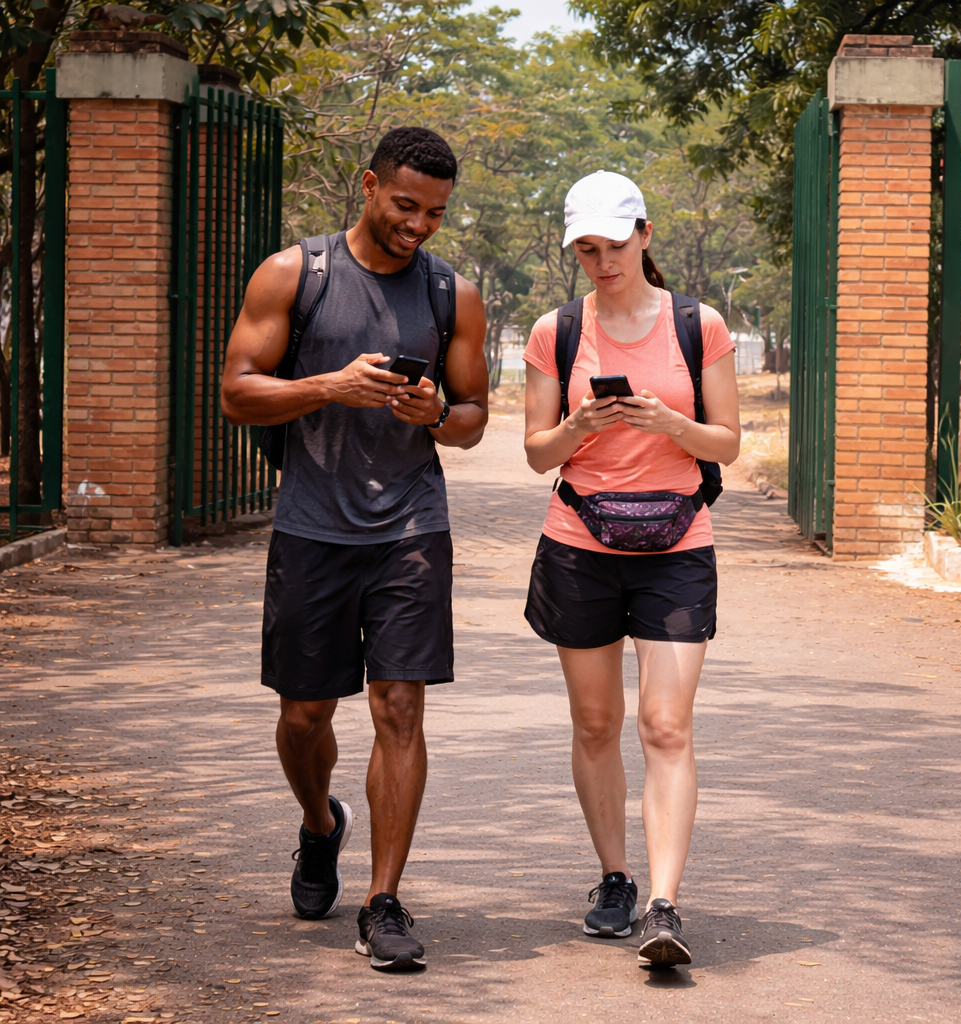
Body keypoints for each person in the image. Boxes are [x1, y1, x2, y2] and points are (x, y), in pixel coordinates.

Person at [220, 127, 489, 973]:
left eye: (436, 213)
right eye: (406, 205)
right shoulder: (296, 274)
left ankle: (384, 901)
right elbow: (237, 392)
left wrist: (436, 416)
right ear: (368, 185)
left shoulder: (453, 293)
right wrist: (328, 386)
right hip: (311, 526)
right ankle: (318, 824)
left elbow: (475, 414)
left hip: (411, 527)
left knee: (400, 708)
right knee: (305, 716)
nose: (420, 225)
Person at [522, 170, 741, 967]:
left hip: (677, 545)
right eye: (586, 249)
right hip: (580, 542)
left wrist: (673, 423)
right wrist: (579, 423)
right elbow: (535, 452)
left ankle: (662, 902)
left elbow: (726, 445)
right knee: (595, 723)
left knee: (665, 724)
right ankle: (613, 876)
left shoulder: (697, 324)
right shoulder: (555, 332)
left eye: (614, 245)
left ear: (645, 234)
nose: (602, 262)